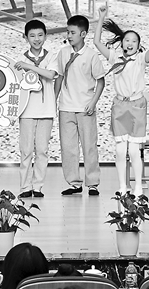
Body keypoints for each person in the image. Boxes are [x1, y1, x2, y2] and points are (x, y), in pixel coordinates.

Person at [93, 5, 149, 197]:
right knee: (120, 151)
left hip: (137, 106)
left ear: (138, 45)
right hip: (120, 106)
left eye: (134, 41)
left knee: (134, 151)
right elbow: (96, 42)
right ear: (122, 42)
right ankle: (122, 186)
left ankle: (138, 187)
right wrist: (101, 18)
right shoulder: (114, 57)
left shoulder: (141, 59)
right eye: (127, 40)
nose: (130, 43)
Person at [55, 15, 106, 196]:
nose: (69, 36)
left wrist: (93, 103)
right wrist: (54, 100)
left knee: (89, 146)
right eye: (67, 32)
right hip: (66, 108)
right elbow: (60, 77)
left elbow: (101, 81)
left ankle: (92, 183)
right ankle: (74, 183)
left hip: (85, 108)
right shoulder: (63, 53)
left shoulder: (91, 55)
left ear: (83, 34)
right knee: (68, 147)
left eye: (72, 32)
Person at [13, 19, 58, 198]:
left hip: (46, 110)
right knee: (26, 151)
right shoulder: (19, 59)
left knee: (42, 150)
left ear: (45, 36)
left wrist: (28, 66)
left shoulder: (51, 57)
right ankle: (25, 187)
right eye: (32, 36)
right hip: (26, 111)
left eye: (40, 35)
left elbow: (50, 74)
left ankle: (38, 186)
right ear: (25, 37)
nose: (36, 39)